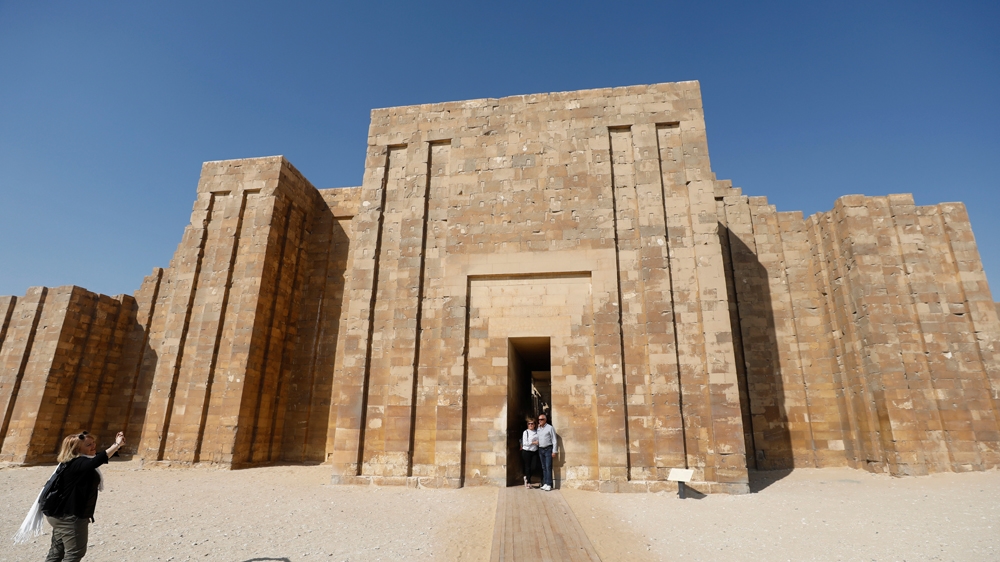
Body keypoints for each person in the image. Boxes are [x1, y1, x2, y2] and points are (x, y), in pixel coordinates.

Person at [43, 430, 126, 562]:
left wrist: (117, 446)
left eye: (93, 443)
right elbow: (96, 461)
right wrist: (115, 445)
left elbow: (99, 457)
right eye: (88, 445)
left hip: (59, 514)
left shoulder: (74, 461)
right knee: (74, 554)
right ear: (77, 449)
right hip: (70, 517)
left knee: (57, 553)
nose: (93, 446)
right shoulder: (77, 463)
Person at [535, 414, 558, 491]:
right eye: (539, 419)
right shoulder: (539, 428)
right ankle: (545, 483)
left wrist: (554, 451)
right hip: (541, 449)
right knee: (544, 467)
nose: (540, 421)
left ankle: (549, 484)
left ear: (545, 420)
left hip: (548, 449)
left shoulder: (550, 428)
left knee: (548, 467)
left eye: (542, 419)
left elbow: (554, 440)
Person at [520, 419, 539, 488]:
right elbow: (525, 443)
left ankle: (527, 477)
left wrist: (536, 443)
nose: (530, 425)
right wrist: (533, 442)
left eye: (532, 423)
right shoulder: (525, 432)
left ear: (534, 424)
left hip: (534, 451)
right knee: (527, 466)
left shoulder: (537, 431)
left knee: (533, 467)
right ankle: (528, 481)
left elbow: (539, 441)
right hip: (526, 451)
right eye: (529, 424)